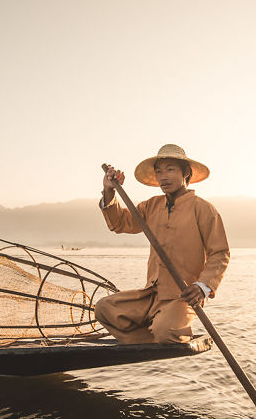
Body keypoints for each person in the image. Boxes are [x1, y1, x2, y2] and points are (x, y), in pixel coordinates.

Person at [95, 144, 230, 344]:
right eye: (158, 172)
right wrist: (109, 190)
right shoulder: (151, 206)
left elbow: (220, 253)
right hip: (150, 294)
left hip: (182, 297)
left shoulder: (202, 208)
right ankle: (150, 338)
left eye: (170, 170)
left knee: (166, 331)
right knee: (104, 309)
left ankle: (162, 329)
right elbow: (120, 223)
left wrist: (202, 286)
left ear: (186, 173)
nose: (163, 177)